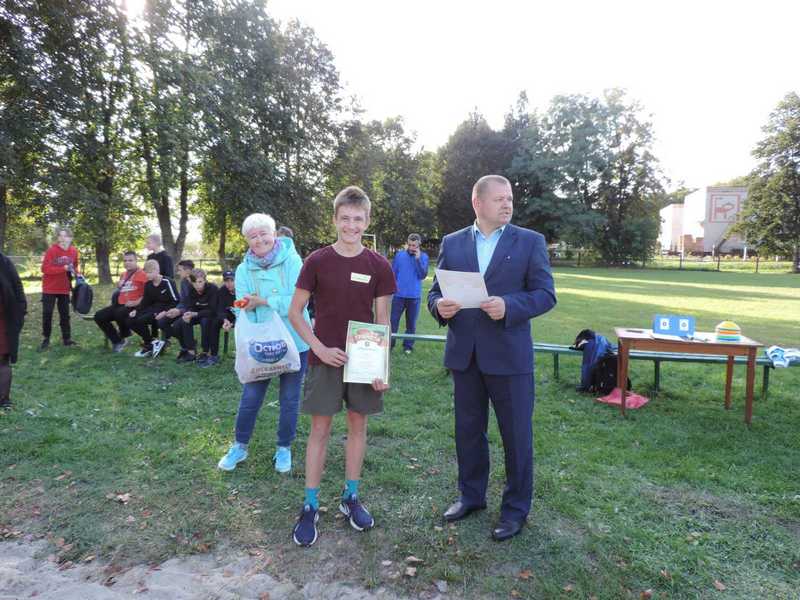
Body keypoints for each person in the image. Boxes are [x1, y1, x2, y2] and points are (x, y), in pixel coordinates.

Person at [427, 175, 556, 542]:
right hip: (465, 356)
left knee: (516, 436)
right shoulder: (452, 243)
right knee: (468, 432)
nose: (507, 204)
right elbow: (434, 293)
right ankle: (471, 496)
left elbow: (546, 294)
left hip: (510, 358)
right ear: (477, 203)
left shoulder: (529, 241)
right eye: (499, 198)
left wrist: (509, 305)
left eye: (510, 198)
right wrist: (439, 307)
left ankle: (515, 510)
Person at [287, 186, 395, 547]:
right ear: (334, 219)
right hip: (325, 358)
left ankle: (351, 497)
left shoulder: (379, 266)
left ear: (367, 221)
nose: (351, 225)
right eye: (345, 218)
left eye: (358, 219)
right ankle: (310, 504)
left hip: (364, 362)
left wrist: (382, 366)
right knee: (320, 430)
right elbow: (295, 312)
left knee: (357, 426)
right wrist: (319, 347)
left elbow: (383, 321)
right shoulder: (316, 261)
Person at [217, 213, 311, 474]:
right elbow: (242, 305)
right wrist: (245, 307)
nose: (259, 240)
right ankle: (240, 446)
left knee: (290, 399)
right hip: (261, 344)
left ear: (274, 234)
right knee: (251, 396)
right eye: (252, 236)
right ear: (247, 240)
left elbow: (298, 301)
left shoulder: (293, 260)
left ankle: (284, 448)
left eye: (263, 234)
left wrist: (264, 301)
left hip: (295, 341)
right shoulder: (243, 269)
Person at [94, 251, 148, 352]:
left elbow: (148, 294)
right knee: (99, 316)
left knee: (119, 313)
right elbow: (123, 290)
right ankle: (118, 341)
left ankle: (125, 334)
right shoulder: (123, 274)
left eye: (130, 260)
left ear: (136, 261)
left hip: (134, 307)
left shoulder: (142, 275)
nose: (127, 263)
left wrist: (136, 302)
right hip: (120, 305)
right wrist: (119, 285)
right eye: (125, 260)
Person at [128, 260, 179, 358]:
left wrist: (165, 312)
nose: (147, 275)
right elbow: (145, 302)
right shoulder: (148, 284)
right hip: (153, 309)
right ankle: (152, 342)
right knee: (130, 320)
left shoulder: (168, 282)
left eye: (149, 272)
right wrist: (136, 310)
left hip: (166, 310)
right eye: (146, 273)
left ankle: (148, 345)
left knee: (141, 320)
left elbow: (176, 301)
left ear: (157, 270)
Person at [40, 227, 79, 351]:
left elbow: (75, 266)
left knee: (65, 315)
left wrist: (77, 274)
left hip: (64, 288)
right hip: (49, 288)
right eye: (60, 236)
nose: (62, 238)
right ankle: (46, 339)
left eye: (65, 235)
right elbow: (44, 269)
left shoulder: (74, 251)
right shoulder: (52, 250)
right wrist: (63, 269)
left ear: (70, 238)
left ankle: (67, 339)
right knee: (47, 314)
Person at [390, 233, 429, 354]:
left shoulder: (424, 257)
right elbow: (393, 274)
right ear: (407, 243)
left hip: (414, 297)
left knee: (411, 324)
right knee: (393, 322)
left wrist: (417, 260)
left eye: (414, 246)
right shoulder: (399, 255)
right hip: (398, 296)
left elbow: (422, 275)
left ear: (419, 245)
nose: (411, 248)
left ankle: (408, 346)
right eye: (410, 245)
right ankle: (390, 345)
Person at [171, 268, 218, 364]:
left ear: (205, 280)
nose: (197, 285)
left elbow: (213, 310)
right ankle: (190, 350)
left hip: (208, 314)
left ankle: (205, 351)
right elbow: (189, 305)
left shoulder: (213, 288)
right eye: (194, 283)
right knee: (178, 324)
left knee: (205, 322)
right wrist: (188, 313)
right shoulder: (191, 288)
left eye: (200, 282)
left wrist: (195, 314)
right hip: (195, 313)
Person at [0, 252, 27, 409]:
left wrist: (21, 311)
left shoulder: (4, 262)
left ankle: (3, 399)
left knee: (3, 360)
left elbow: (17, 286)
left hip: (4, 318)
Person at [203, 270, 236, 368]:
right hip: (228, 316)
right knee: (214, 323)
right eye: (226, 281)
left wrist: (233, 323)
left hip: (241, 316)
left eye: (232, 280)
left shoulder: (242, 290)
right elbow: (220, 308)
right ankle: (214, 355)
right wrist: (225, 320)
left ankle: (243, 355)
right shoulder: (222, 291)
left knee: (243, 326)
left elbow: (245, 311)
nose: (229, 283)